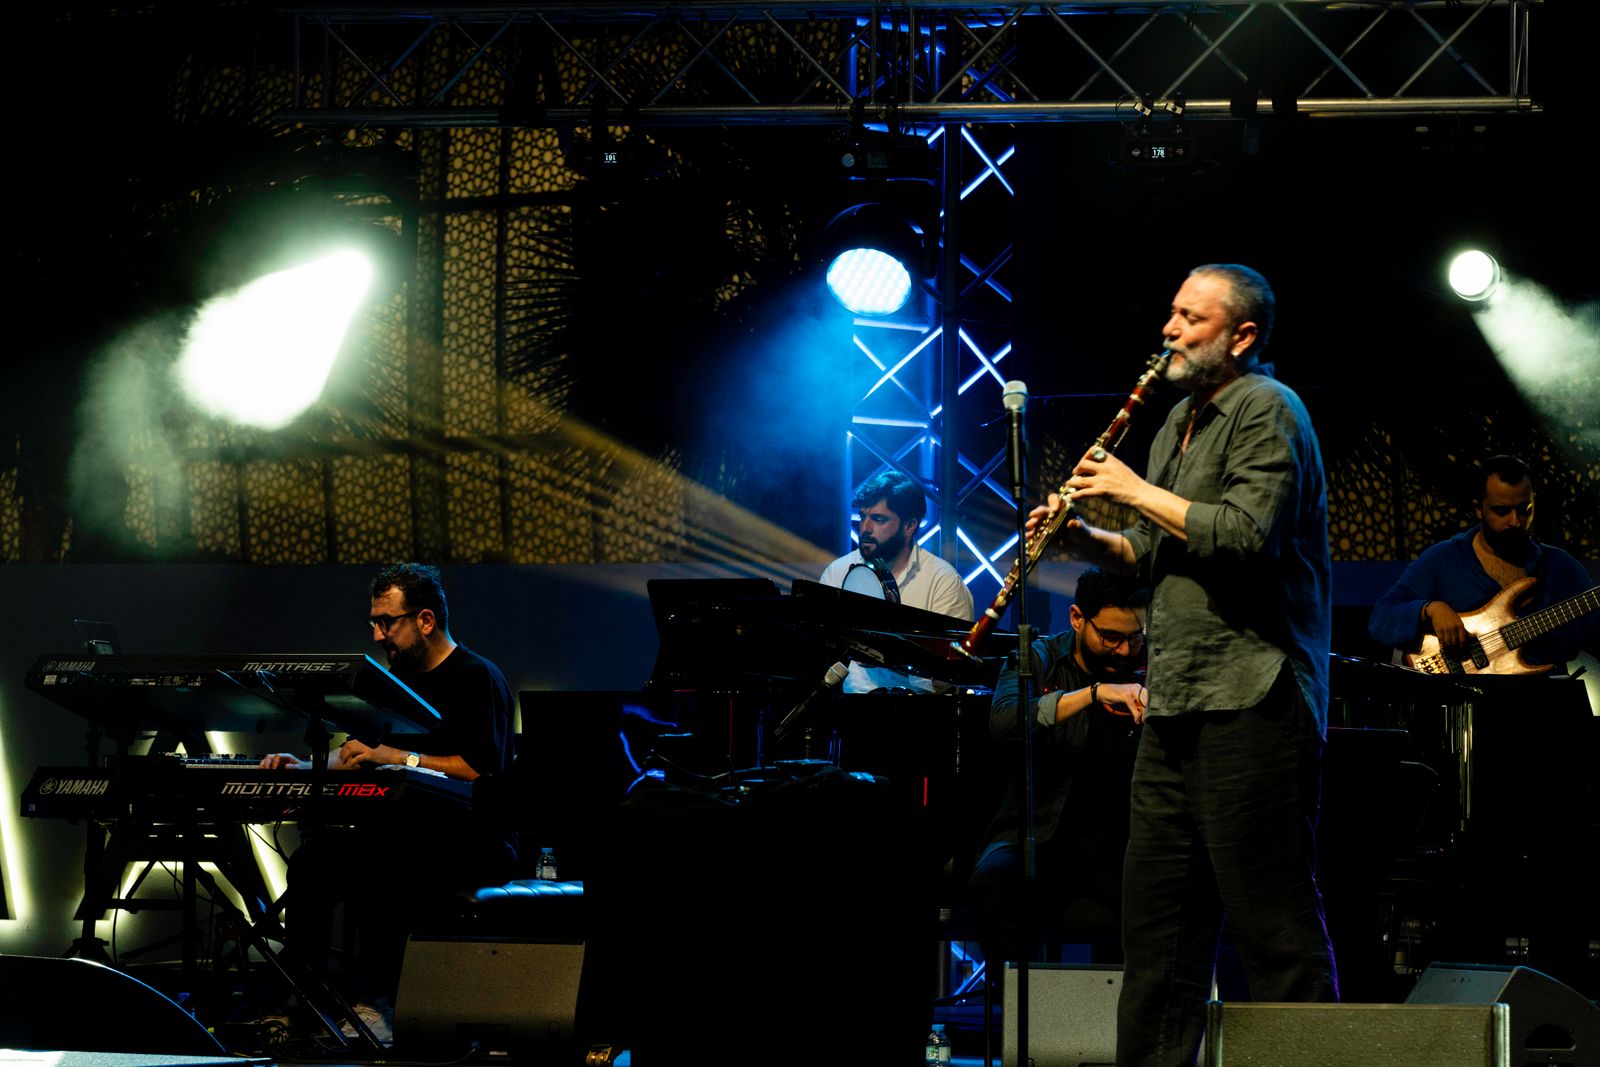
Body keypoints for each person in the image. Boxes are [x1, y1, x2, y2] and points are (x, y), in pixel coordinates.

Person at [1051, 264, 1337, 1066]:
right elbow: (1151, 551)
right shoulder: (1178, 418)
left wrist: (1131, 489)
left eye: (1190, 317)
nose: (1169, 328)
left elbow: (1246, 534)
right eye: (1171, 312)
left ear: (1241, 336)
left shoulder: (1269, 408)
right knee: (1158, 939)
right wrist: (1082, 537)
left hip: (1254, 697)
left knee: (1273, 928)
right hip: (1175, 702)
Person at [261, 563, 516, 1035]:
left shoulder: (477, 677)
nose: (378, 635)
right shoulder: (395, 680)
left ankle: (380, 1003)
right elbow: (360, 753)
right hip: (398, 832)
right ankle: (302, 1000)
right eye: (373, 623)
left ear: (426, 620)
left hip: (471, 840)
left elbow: (479, 769)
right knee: (313, 863)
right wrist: (302, 766)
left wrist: (401, 757)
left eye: (387, 622)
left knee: (386, 860)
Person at [968, 567, 1150, 971]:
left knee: (1164, 896)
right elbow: (1004, 720)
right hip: (1042, 835)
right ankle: (1019, 1006)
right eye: (1111, 637)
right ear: (1077, 618)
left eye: (1135, 637)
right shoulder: (1039, 657)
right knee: (991, 883)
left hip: (1120, 843)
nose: (1125, 651)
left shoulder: (1153, 664)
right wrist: (1093, 693)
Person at [1368, 455, 1599, 668]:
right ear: (1478, 509)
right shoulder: (1444, 559)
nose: (1515, 521)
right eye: (1501, 511)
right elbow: (1380, 619)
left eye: (1524, 509)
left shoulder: (1561, 567)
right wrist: (1430, 609)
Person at [819, 470, 974, 692]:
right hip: (846, 709)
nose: (865, 528)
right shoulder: (837, 572)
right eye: (863, 517)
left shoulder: (943, 582)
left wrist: (896, 646)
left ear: (909, 526)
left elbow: (950, 676)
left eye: (878, 519)